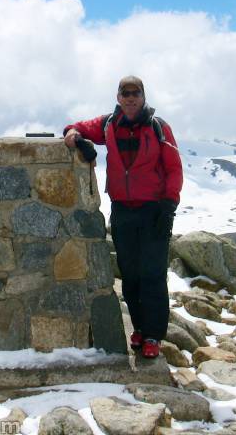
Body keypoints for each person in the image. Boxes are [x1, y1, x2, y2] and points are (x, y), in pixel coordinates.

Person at [63, 75, 183, 358]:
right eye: (125, 93)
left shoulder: (158, 127)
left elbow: (174, 168)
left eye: (135, 93)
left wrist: (168, 206)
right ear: (118, 97)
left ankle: (153, 335)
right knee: (130, 274)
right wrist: (74, 136)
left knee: (152, 274)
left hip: (154, 210)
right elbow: (76, 127)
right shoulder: (109, 124)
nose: (130, 98)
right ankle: (139, 328)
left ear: (143, 97)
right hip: (122, 211)